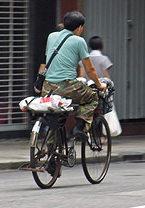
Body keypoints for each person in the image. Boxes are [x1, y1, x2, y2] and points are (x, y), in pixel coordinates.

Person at [41, 11, 106, 140]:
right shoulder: (79, 41)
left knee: (55, 116)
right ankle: (79, 127)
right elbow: (89, 69)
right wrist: (99, 84)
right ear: (80, 27)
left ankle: (50, 152)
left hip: (47, 88)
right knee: (92, 97)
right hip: (67, 86)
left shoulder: (51, 36)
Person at [34, 23, 64, 94]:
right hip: (64, 82)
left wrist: (38, 81)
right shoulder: (69, 46)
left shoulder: (49, 47)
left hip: (50, 82)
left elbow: (43, 65)